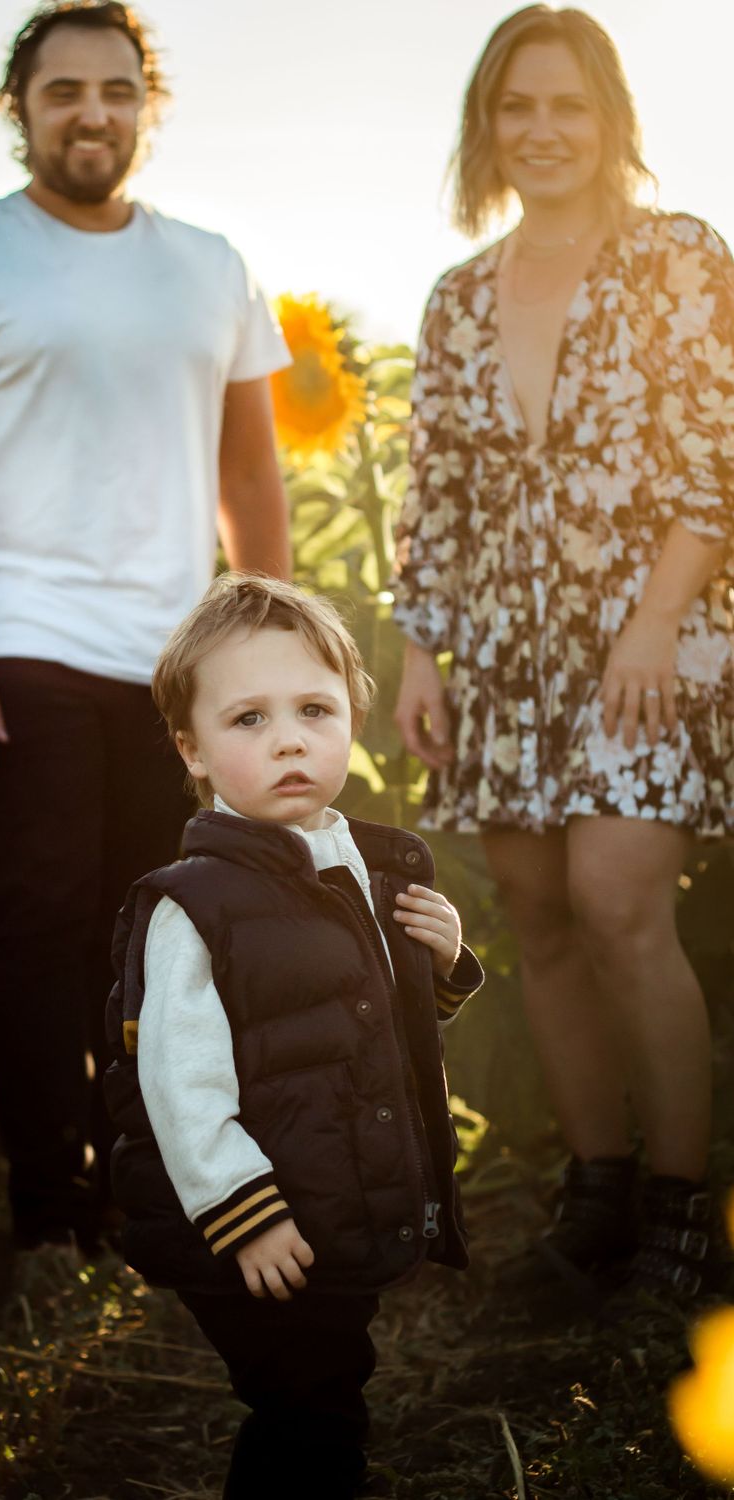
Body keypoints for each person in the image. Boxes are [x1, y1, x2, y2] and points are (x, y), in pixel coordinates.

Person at [0, 2, 292, 1258]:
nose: (91, 115)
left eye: (115, 91)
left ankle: (146, 1196)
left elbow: (252, 480)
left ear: (145, 107)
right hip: (21, 647)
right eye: (63, 92)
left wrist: (267, 657)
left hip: (172, 666)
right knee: (43, 929)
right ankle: (50, 1213)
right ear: (20, 110)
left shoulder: (210, 264)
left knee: (158, 939)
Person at [392, 3, 733, 1302]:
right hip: (497, 651)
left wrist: (652, 622)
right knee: (538, 910)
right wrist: (423, 650)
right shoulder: (458, 299)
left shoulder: (682, 257)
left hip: (658, 633)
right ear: (487, 127)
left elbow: (720, 451)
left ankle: (682, 1213)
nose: (542, 131)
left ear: (612, 122)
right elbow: (437, 493)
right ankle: (593, 1196)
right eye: (515, 107)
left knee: (617, 898)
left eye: (567, 105)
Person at [104, 574, 483, 1498]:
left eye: (314, 709)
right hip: (254, 1215)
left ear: (352, 718)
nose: (289, 740)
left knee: (330, 1381)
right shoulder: (193, 905)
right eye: (249, 721)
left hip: (328, 1187)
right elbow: (179, 1085)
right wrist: (247, 1213)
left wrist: (439, 969)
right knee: (309, 1406)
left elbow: (360, 1027)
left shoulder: (361, 862)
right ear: (191, 751)